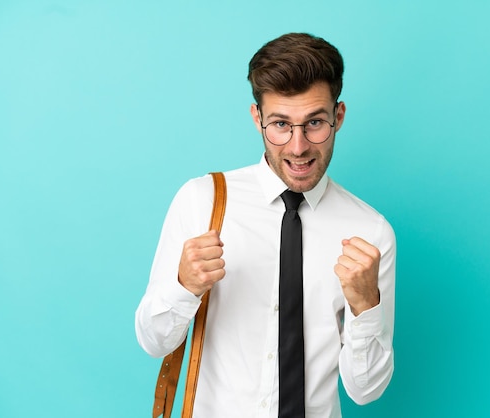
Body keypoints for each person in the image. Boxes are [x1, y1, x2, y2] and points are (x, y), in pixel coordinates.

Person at [135, 32, 396, 417]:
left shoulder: (370, 232)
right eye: (280, 124)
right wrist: (184, 287)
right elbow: (154, 342)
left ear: (338, 117)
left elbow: (366, 390)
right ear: (257, 117)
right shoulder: (203, 201)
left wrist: (365, 306)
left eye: (315, 123)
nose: (297, 147)